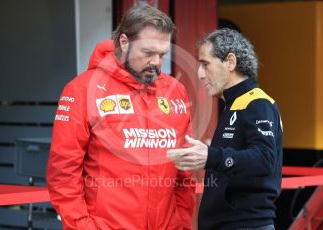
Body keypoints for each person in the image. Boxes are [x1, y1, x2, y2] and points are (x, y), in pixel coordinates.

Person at [47, 5, 195, 230]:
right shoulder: (83, 89)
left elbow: (184, 171)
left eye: (162, 54)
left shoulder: (175, 91)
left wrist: (181, 222)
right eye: (148, 53)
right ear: (124, 43)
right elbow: (63, 173)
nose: (156, 62)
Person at [167, 28, 283, 230]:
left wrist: (212, 156)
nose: (200, 74)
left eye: (205, 64)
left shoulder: (257, 103)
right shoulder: (232, 103)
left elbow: (265, 160)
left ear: (230, 62)